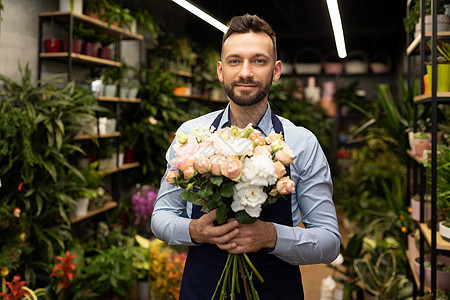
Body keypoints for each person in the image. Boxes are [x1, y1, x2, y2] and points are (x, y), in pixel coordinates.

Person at [151, 14, 341, 299]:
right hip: (202, 289)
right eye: (235, 60)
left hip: (277, 290)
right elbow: (161, 217)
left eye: (259, 61)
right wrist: (195, 230)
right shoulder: (191, 136)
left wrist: (272, 236)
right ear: (220, 70)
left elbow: (329, 242)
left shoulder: (301, 144)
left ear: (276, 71)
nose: (245, 72)